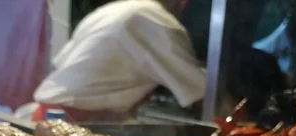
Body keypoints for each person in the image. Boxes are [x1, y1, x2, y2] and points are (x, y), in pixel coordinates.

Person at [30, 0, 206, 122]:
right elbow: (202, 94)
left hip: (48, 115)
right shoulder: (155, 19)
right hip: (74, 123)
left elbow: (61, 62)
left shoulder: (113, 10)